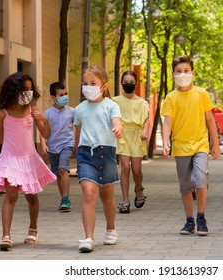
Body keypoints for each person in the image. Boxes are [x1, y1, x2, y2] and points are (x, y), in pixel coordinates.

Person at [0, 72, 57, 250]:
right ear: (13, 90)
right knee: (11, 195)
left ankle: (33, 229)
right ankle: (6, 235)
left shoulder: (32, 110)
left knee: (31, 196)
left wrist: (43, 119)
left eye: (30, 90)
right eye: (24, 89)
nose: (28, 93)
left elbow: (46, 134)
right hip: (9, 159)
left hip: (28, 160)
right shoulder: (3, 112)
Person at [161, 55, 220, 236]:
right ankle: (189, 221)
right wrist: (165, 142)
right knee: (185, 185)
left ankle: (201, 217)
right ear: (173, 74)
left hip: (200, 144)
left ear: (193, 73)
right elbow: (167, 123)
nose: (183, 74)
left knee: (200, 179)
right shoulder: (171, 98)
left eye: (186, 71)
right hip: (180, 147)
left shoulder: (201, 94)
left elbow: (210, 119)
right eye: (179, 71)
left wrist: (215, 144)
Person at [75, 64, 123, 253]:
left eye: (92, 83)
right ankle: (88, 237)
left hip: (107, 154)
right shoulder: (79, 109)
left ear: (103, 85)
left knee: (107, 197)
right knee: (89, 193)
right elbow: (78, 134)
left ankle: (111, 229)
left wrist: (118, 129)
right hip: (86, 154)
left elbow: (117, 122)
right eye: (85, 83)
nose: (88, 87)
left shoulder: (111, 105)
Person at [113, 70, 149, 214]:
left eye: (131, 82)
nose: (128, 84)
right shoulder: (115, 101)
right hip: (122, 135)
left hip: (137, 135)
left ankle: (138, 188)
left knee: (136, 169)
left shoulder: (142, 103)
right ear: (122, 83)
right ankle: (125, 200)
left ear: (136, 84)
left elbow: (146, 120)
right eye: (125, 82)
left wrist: (145, 131)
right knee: (125, 168)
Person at [41, 82, 75, 212]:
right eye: (61, 95)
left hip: (67, 145)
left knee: (62, 169)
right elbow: (43, 131)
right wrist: (43, 144)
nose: (65, 97)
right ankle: (64, 200)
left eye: (66, 94)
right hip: (53, 147)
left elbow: (79, 126)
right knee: (58, 175)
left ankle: (66, 198)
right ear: (53, 98)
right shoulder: (48, 113)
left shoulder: (72, 112)